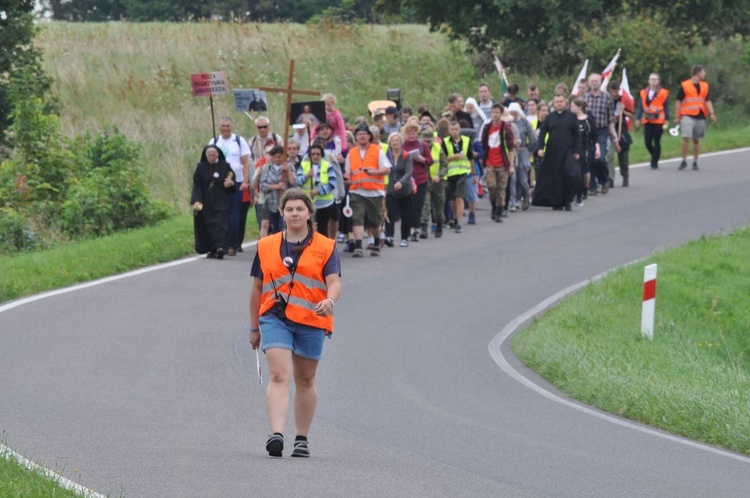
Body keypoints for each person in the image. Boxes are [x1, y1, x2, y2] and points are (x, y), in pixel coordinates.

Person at [249, 188, 342, 459]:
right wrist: (254, 327)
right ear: (282, 213)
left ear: (309, 213)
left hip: (312, 318)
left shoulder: (325, 247)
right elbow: (257, 288)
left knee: (305, 379)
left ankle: (301, 438)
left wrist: (330, 301)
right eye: (289, 209)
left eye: (300, 209)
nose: (294, 214)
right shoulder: (266, 246)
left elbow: (334, 282)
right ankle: (276, 434)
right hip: (274, 318)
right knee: (279, 375)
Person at [344, 123, 391, 257]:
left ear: (369, 136)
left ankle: (376, 242)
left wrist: (374, 172)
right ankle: (358, 247)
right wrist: (346, 179)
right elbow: (348, 172)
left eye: (364, 134)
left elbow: (387, 168)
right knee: (357, 219)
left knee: (375, 221)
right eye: (359, 134)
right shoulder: (351, 153)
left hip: (374, 192)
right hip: (356, 192)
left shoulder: (377, 150)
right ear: (356, 138)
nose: (362, 137)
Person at [208, 117, 251, 255]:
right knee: (220, 214)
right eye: (223, 126)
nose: (225, 128)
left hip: (236, 182)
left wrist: (245, 181)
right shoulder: (214, 142)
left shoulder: (239, 141)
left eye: (228, 126)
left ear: (231, 127)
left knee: (234, 215)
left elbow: (245, 162)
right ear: (219, 127)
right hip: (219, 183)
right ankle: (221, 243)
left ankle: (233, 244)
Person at [533, 94, 582, 211]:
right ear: (553, 104)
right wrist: (540, 148)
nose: (559, 104)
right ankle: (557, 202)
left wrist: (577, 151)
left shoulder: (571, 117)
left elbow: (578, 135)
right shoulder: (550, 117)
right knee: (555, 177)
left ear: (565, 103)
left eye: (561, 101)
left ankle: (568, 199)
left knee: (570, 174)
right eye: (557, 102)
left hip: (568, 151)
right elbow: (543, 134)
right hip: (552, 152)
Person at [191, 146, 236, 259]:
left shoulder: (225, 166)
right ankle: (212, 249)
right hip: (206, 202)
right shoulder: (201, 167)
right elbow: (197, 185)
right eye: (209, 156)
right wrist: (196, 200)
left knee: (221, 225)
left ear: (218, 155)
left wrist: (230, 184)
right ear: (206, 156)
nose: (211, 158)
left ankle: (220, 248)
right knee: (208, 226)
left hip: (221, 201)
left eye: (214, 155)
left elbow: (231, 181)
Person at [675, 64, 716, 171]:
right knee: (686, 137)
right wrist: (677, 116)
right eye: (703, 72)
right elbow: (678, 101)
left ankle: (695, 161)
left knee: (696, 140)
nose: (704, 74)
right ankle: (684, 160)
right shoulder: (685, 85)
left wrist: (711, 113)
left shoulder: (705, 86)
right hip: (687, 115)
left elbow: (707, 100)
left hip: (700, 115)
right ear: (697, 73)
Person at [583, 73, 619, 191]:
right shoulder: (585, 98)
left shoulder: (607, 97)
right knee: (590, 160)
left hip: (602, 131)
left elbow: (611, 118)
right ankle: (592, 187)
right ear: (589, 83)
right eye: (592, 81)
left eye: (596, 81)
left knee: (600, 158)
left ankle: (604, 179)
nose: (594, 83)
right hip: (589, 132)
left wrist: (614, 136)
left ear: (600, 82)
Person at [480, 104, 515, 222]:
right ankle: (493, 205)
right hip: (490, 162)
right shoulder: (487, 127)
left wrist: (511, 165)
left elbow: (511, 148)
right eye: (493, 112)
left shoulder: (505, 128)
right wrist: (482, 158)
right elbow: (483, 143)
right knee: (491, 186)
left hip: (502, 163)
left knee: (501, 189)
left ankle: (499, 211)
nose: (495, 115)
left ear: (501, 114)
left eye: (497, 113)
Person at [296, 144, 339, 237]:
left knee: (322, 229)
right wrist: (306, 176)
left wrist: (319, 190)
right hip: (308, 203)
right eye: (313, 154)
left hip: (324, 204)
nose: (315, 156)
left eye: (318, 154)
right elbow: (297, 181)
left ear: (321, 155)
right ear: (309, 155)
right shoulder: (304, 165)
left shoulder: (327, 165)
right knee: (308, 228)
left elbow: (332, 183)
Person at [402, 122, 433, 240]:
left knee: (418, 205)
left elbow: (430, 161)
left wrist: (422, 159)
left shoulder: (422, 145)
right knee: (408, 205)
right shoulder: (402, 145)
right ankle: (410, 227)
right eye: (409, 133)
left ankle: (415, 228)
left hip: (421, 178)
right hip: (407, 179)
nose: (411, 136)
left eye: (413, 133)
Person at [443, 120, 475, 232]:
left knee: (459, 196)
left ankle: (460, 222)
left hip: (463, 172)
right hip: (450, 173)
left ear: (460, 130)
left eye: (456, 129)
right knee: (452, 200)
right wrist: (454, 157)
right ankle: (456, 217)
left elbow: (470, 157)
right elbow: (443, 159)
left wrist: (474, 173)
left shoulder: (466, 141)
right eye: (452, 130)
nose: (455, 132)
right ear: (449, 131)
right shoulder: (445, 141)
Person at [259, 145, 297, 236]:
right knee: (274, 227)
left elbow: (294, 183)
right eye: (274, 157)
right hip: (271, 202)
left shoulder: (289, 166)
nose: (276, 159)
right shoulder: (267, 168)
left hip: (285, 203)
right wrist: (277, 186)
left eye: (279, 157)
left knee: (283, 226)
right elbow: (263, 185)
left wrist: (288, 171)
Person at [384, 133, 414, 247]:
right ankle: (389, 236)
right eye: (392, 141)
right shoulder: (387, 155)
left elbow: (409, 171)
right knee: (390, 213)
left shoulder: (406, 155)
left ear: (401, 142)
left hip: (405, 190)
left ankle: (404, 237)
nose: (395, 142)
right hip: (391, 189)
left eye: (397, 140)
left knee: (405, 214)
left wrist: (401, 182)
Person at [570, 99, 601, 206]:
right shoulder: (571, 119)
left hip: (586, 148)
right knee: (575, 171)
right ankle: (575, 191)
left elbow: (595, 135)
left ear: (579, 107)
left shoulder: (588, 120)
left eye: (573, 106)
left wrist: (597, 148)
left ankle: (585, 187)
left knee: (584, 170)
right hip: (574, 148)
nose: (571, 108)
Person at [637, 73, 670, 169]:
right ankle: (655, 155)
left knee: (656, 141)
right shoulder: (644, 92)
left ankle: (654, 161)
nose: (653, 81)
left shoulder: (663, 92)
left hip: (659, 120)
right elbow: (640, 106)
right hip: (647, 120)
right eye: (651, 79)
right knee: (647, 142)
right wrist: (638, 118)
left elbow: (666, 107)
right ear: (648, 81)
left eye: (655, 79)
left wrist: (667, 119)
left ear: (658, 81)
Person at [507, 102, 536, 212]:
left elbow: (533, 139)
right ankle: (514, 200)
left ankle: (526, 195)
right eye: (511, 113)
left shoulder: (525, 123)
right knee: (513, 178)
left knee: (523, 178)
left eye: (515, 113)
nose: (513, 115)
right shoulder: (507, 123)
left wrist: (528, 150)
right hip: (512, 151)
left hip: (522, 150)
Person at [419, 129, 447, 238]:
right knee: (425, 204)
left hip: (437, 182)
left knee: (439, 205)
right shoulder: (419, 149)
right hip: (424, 180)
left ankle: (439, 224)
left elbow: (445, 166)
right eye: (425, 141)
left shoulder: (438, 148)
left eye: (429, 141)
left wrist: (439, 175)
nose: (427, 143)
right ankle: (424, 227)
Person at [607, 80, 635, 187]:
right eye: (612, 91)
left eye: (616, 91)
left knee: (623, 154)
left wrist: (624, 111)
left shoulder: (623, 100)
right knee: (609, 155)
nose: (614, 94)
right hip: (610, 127)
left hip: (621, 127)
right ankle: (610, 178)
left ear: (619, 90)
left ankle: (625, 175)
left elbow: (631, 115)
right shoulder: (607, 100)